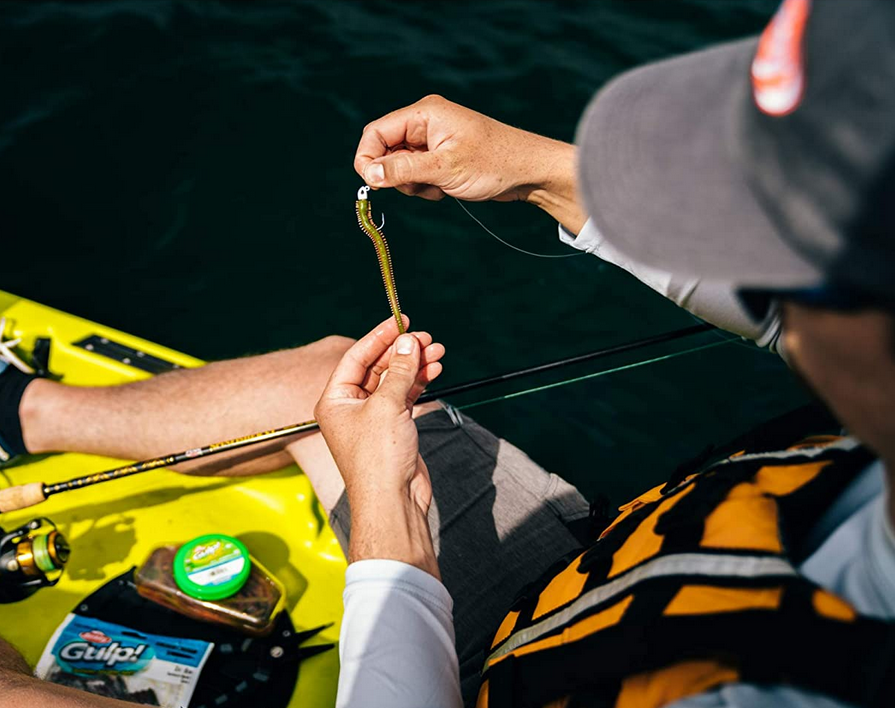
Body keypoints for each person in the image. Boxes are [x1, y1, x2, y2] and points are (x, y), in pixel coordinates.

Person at [322, 1, 895, 707]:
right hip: (584, 587)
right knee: (327, 369)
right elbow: (784, 314)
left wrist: (389, 515)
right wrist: (535, 172)